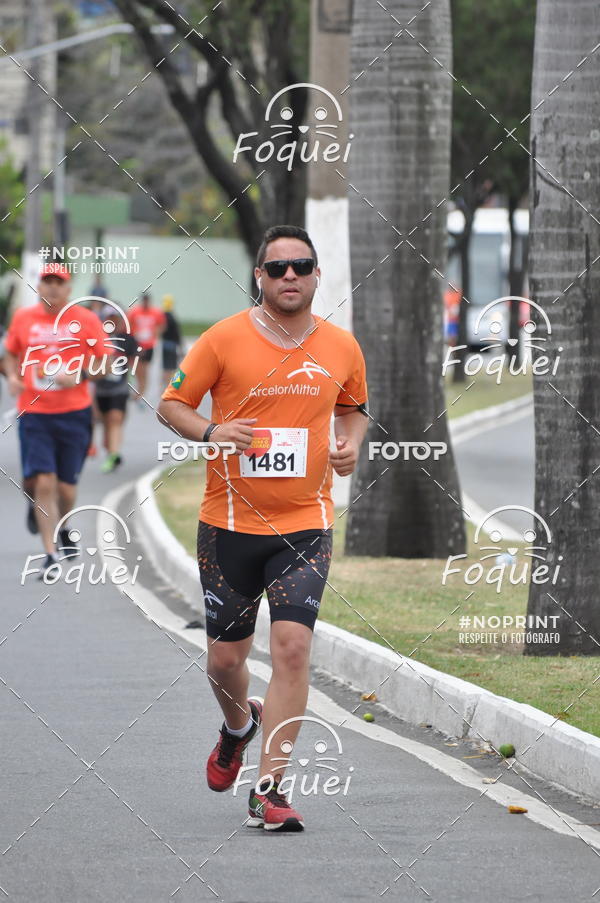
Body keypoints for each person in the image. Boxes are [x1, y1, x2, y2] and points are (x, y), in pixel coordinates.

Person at [158, 224, 369, 832]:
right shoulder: (223, 339)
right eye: (277, 268)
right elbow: (171, 404)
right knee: (225, 661)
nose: (290, 276)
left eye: (301, 266)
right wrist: (211, 432)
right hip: (228, 526)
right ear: (259, 276)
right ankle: (237, 726)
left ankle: (268, 789)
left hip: (304, 525)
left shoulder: (342, 347)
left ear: (317, 274)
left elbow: (353, 409)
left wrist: (349, 446)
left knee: (293, 649)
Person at [3, 264, 111, 575]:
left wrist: (80, 375)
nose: (52, 287)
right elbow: (9, 353)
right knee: (42, 482)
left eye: (58, 282)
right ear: (38, 286)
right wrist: (12, 376)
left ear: (68, 288)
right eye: (47, 281)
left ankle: (63, 526)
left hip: (74, 414)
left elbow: (106, 363)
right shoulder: (23, 318)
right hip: (34, 414)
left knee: (65, 489)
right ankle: (50, 554)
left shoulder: (86, 320)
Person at [94, 309, 138, 473]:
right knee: (106, 422)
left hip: (119, 388)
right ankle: (110, 450)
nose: (112, 322)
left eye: (115, 319)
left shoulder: (127, 339)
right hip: (100, 389)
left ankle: (113, 454)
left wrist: (140, 386)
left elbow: (137, 364)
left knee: (115, 419)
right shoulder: (97, 338)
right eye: (109, 319)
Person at [129, 292, 165, 403]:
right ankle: (140, 391)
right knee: (137, 369)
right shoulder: (135, 312)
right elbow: (128, 325)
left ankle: (141, 393)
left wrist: (155, 335)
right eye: (144, 301)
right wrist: (132, 337)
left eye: (147, 301)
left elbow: (162, 325)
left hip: (149, 345)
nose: (145, 303)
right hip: (137, 345)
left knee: (144, 370)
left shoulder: (156, 312)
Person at [160, 294, 182, 388]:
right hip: (172, 345)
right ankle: (172, 386)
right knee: (173, 368)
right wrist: (181, 346)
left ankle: (164, 386)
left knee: (166, 368)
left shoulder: (162, 316)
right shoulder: (172, 317)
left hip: (164, 344)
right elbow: (177, 334)